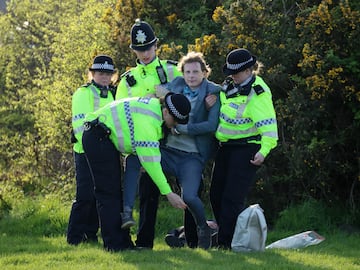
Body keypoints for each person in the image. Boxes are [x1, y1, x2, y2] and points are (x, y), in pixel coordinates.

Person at [122, 51, 221, 249]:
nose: (191, 76)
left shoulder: (212, 92)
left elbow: (211, 126)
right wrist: (166, 95)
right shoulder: (176, 85)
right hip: (167, 151)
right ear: (182, 73)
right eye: (187, 72)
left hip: (191, 157)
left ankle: (203, 229)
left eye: (195, 72)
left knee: (190, 197)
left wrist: (181, 128)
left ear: (204, 73)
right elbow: (157, 91)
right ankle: (126, 212)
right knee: (135, 160)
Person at [116, 18, 197, 250]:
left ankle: (191, 239)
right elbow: (122, 116)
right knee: (148, 193)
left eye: (148, 48)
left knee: (191, 187)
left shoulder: (172, 70)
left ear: (156, 46)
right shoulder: (127, 80)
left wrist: (166, 95)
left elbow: (191, 98)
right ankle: (144, 243)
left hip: (176, 140)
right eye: (140, 50)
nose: (145, 54)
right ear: (133, 50)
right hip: (144, 143)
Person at [81, 92, 191, 252]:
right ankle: (114, 245)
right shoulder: (149, 121)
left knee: (115, 193)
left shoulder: (153, 110)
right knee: (108, 193)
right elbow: (151, 163)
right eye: (174, 121)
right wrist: (168, 193)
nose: (174, 125)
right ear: (166, 111)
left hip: (101, 137)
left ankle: (124, 243)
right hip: (97, 138)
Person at [209, 48, 278, 249]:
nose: (233, 76)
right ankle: (225, 235)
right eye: (230, 72)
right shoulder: (230, 86)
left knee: (232, 197)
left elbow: (270, 128)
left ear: (249, 70)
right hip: (226, 148)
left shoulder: (258, 91)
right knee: (215, 194)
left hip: (247, 149)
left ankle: (226, 244)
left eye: (236, 72)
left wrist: (263, 152)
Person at [67, 54, 117, 245]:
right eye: (100, 73)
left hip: (106, 153)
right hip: (85, 152)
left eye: (108, 73)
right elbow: (80, 126)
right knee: (84, 196)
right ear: (92, 74)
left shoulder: (112, 93)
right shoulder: (83, 93)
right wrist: (92, 149)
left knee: (100, 194)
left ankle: (91, 234)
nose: (104, 76)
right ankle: (74, 237)